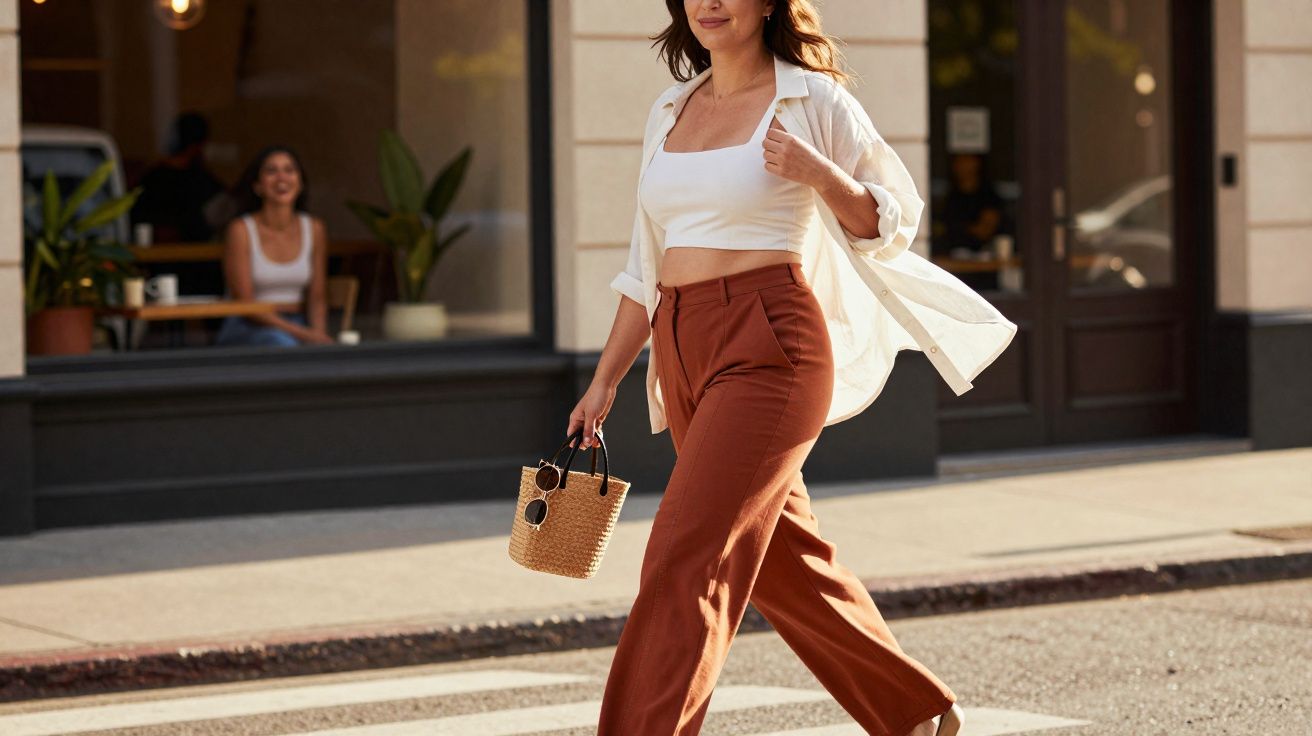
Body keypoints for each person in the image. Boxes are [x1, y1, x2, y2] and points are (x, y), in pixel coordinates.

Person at [569, 1, 1018, 734]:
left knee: (684, 555)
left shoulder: (812, 99)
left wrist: (820, 174)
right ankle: (913, 711)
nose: (710, 3)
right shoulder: (670, 109)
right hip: (681, 345)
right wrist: (605, 380)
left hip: (769, 344)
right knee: (783, 558)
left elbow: (891, 222)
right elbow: (643, 269)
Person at [215, 145, 334, 347]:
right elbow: (245, 302)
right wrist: (303, 335)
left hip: (298, 322)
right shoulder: (241, 230)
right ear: (257, 186)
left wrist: (318, 334)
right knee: (282, 343)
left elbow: (317, 296)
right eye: (271, 171)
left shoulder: (314, 228)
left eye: (289, 170)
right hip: (249, 325)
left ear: (300, 183)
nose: (282, 178)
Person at [130, 112, 230, 295]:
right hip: (176, 263)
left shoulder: (155, 177)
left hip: (185, 264)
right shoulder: (196, 179)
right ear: (199, 145)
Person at [940, 152, 1007, 291]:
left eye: (966, 159)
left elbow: (984, 230)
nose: (962, 165)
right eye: (958, 161)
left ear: (977, 163)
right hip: (954, 268)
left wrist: (960, 227)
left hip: (984, 266)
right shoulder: (951, 196)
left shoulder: (988, 195)